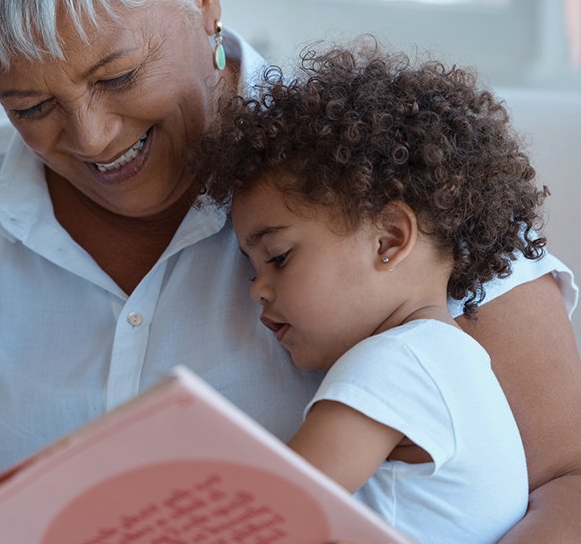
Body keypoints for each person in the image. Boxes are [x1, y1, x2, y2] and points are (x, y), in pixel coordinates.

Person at [0, 0, 581, 540]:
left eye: (119, 74)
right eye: (28, 105)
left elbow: (568, 483)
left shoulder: (384, 182)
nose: (92, 135)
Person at [193, 44, 537, 543]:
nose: (257, 291)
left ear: (390, 239)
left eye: (279, 257)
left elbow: (270, 517)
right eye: (251, 269)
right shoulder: (454, 359)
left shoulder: (395, 364)